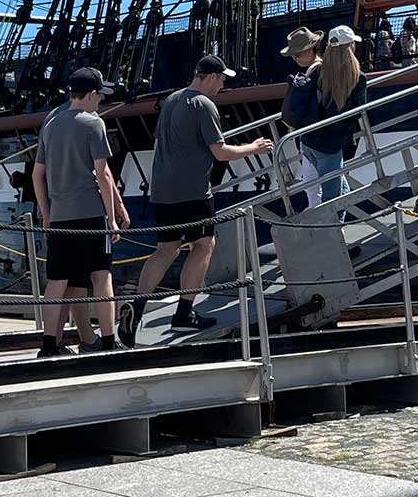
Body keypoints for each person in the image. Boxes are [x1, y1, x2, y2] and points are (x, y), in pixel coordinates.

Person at [127, 55, 271, 342]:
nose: (223, 85)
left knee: (165, 249)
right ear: (211, 76)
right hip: (192, 191)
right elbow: (220, 152)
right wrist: (253, 147)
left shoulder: (171, 100)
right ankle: (184, 314)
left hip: (162, 190)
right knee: (204, 245)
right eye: (222, 79)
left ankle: (137, 307)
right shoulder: (204, 104)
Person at [32, 66, 129, 356]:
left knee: (57, 280)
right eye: (100, 96)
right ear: (91, 94)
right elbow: (103, 174)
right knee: (101, 276)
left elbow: (37, 174)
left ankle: (49, 345)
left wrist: (47, 215)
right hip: (90, 213)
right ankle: (109, 342)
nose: (100, 101)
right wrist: (111, 218)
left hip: (60, 216)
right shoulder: (93, 124)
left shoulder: (51, 124)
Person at [299, 27, 366, 203]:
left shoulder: (318, 71)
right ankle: (335, 221)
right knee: (332, 197)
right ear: (351, 46)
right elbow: (358, 111)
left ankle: (339, 219)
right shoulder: (358, 77)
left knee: (337, 186)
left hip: (309, 139)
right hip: (331, 143)